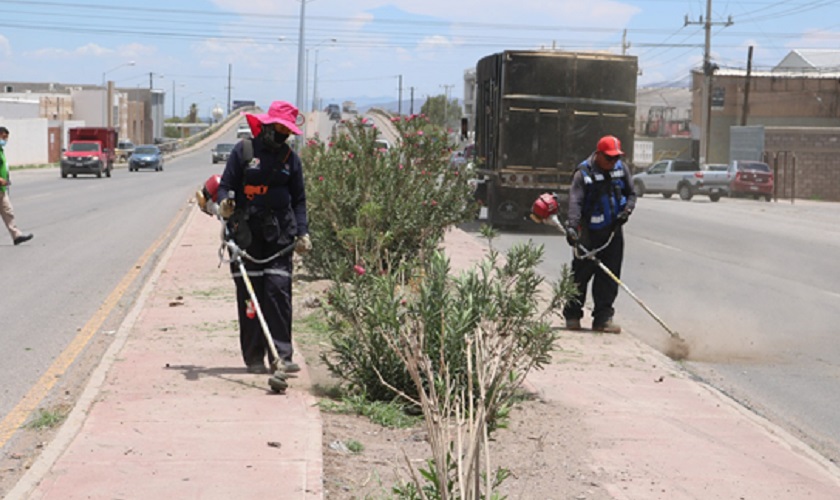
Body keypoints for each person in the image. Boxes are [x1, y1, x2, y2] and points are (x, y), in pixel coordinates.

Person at [217, 101, 312, 374]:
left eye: (287, 130)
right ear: (267, 125)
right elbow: (225, 187)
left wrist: (303, 232)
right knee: (251, 297)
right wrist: (225, 204)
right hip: (246, 235)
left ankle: (282, 356)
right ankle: (254, 357)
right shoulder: (244, 151)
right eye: (278, 128)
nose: (282, 134)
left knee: (278, 291)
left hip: (281, 234)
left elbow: (300, 201)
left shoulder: (290, 160)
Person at [562, 135, 636, 333]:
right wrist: (572, 227)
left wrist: (626, 211)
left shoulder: (622, 169)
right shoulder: (583, 173)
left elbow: (631, 194)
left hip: (612, 231)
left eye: (616, 158)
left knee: (609, 276)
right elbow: (575, 202)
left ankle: (603, 319)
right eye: (609, 158)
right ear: (598, 154)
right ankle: (572, 316)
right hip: (588, 233)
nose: (613, 162)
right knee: (580, 275)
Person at [0, 126, 34, 246]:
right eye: (3, 137)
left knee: (8, 211)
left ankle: (16, 236)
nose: (5, 140)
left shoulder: (1, 150)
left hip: (2, 189)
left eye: (6, 138)